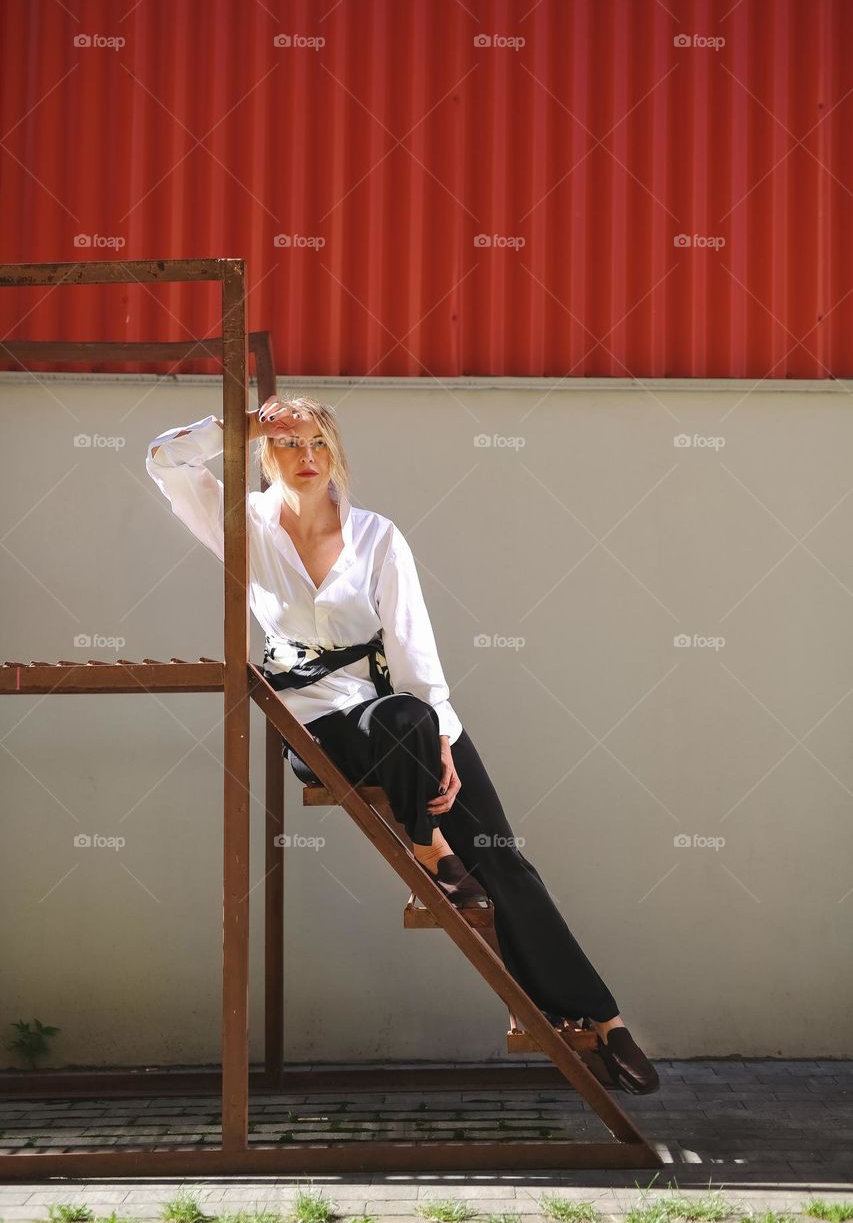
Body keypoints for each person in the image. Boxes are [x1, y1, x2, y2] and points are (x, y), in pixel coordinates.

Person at [145, 394, 659, 1096]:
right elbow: (163, 460)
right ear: (265, 454)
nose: (305, 459)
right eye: (290, 445)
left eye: (317, 444)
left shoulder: (377, 537)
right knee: (395, 725)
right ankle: (431, 851)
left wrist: (445, 738)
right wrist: (241, 423)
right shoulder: (242, 524)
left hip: (403, 723)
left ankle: (600, 1018)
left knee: (502, 857)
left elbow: (414, 650)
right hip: (318, 727)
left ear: (336, 456)